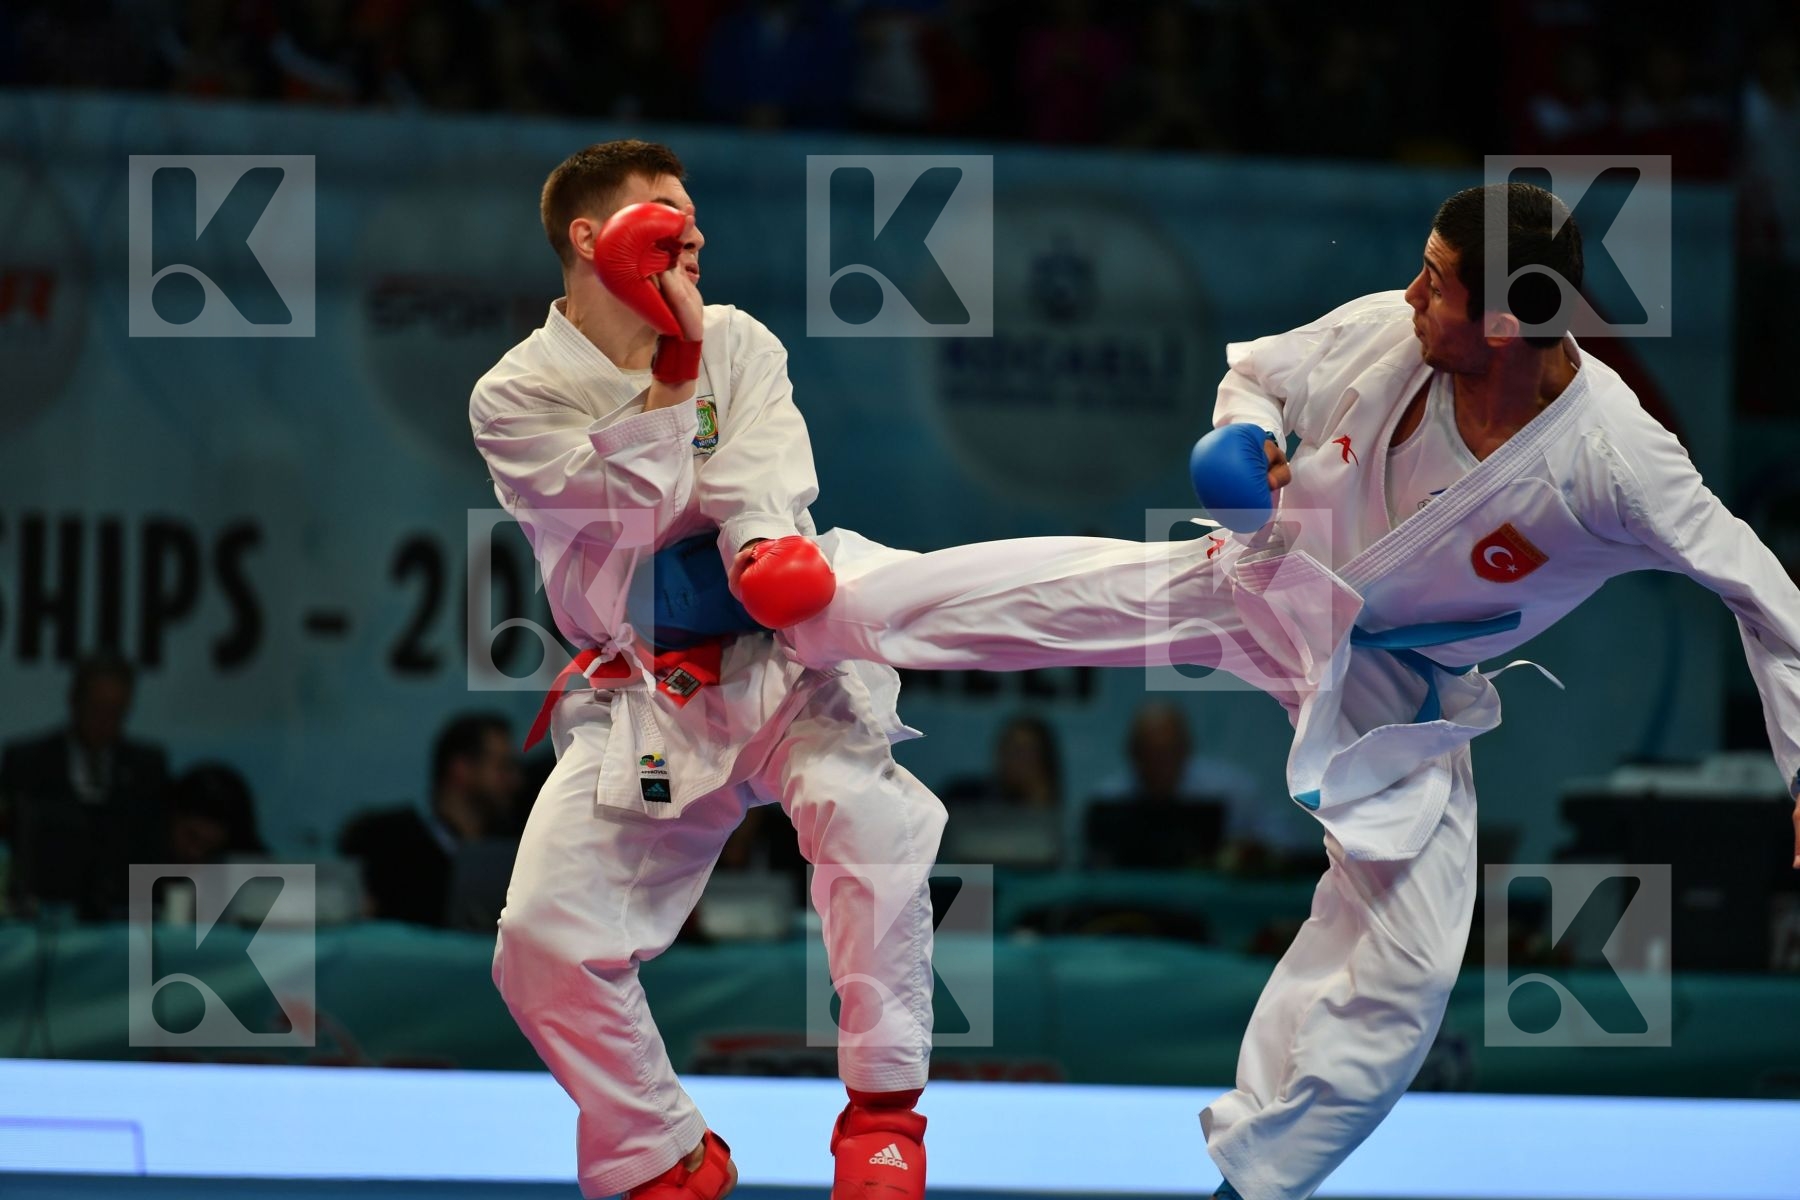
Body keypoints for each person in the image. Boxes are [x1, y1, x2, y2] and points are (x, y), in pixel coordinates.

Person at [1176, 183, 1800, 1200]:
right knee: (1043, 602)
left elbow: (1763, 590)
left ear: (1507, 321)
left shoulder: (1616, 458)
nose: (1412, 290)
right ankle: (845, 604)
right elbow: (1258, 369)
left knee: (1412, 973)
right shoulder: (1392, 332)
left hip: (1399, 675)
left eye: (1439, 281)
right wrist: (1245, 433)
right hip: (1269, 581)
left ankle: (1252, 1183)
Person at [469, 141, 944, 1200]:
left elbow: (756, 493)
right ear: (591, 240)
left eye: (696, 223)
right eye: (667, 219)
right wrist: (676, 371)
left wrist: (757, 549)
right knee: (539, 943)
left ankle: (883, 1115)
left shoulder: (740, 341)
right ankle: (665, 1155)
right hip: (644, 696)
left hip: (782, 661)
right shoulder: (516, 395)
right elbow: (626, 519)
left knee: (868, 820)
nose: (695, 237)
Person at [0, 654, 169, 920]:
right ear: (74, 701)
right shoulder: (27, 762)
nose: (105, 721)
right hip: (42, 912)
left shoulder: (146, 767)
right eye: (97, 709)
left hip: (122, 916)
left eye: (117, 712)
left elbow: (153, 845)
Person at [338, 712, 521, 928]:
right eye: (503, 767)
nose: (515, 780)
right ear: (461, 769)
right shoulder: (389, 847)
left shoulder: (514, 857)